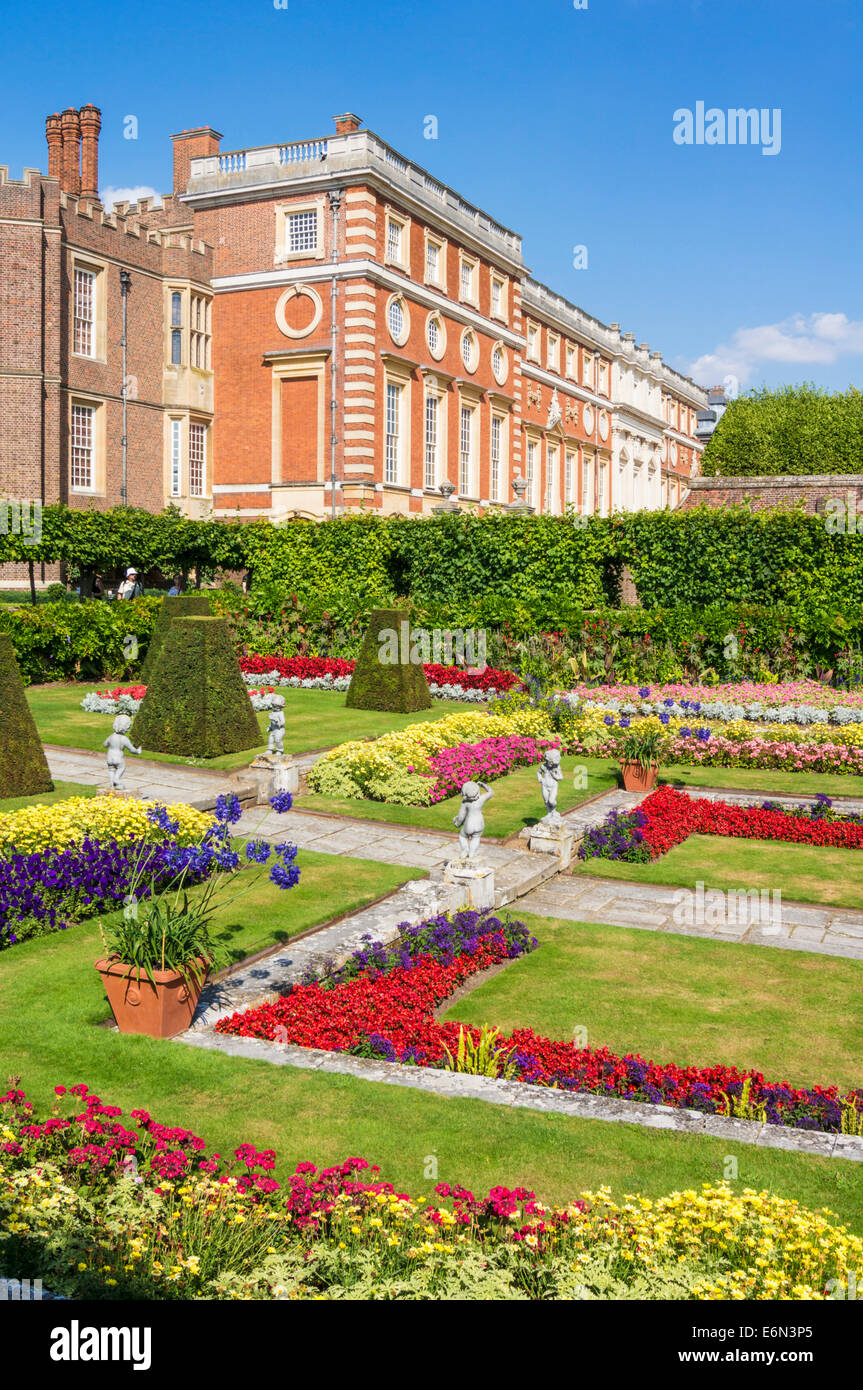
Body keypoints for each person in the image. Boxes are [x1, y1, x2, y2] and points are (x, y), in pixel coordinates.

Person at [453, 780, 494, 860]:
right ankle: (472, 853)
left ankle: (465, 850)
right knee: (476, 837)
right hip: (480, 824)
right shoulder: (481, 799)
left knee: (462, 836)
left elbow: (461, 817)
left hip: (469, 825)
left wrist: (457, 823)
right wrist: (483, 785)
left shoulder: (465, 803)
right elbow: (491, 792)